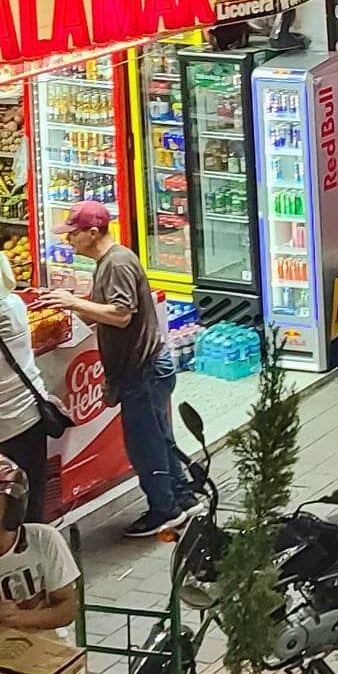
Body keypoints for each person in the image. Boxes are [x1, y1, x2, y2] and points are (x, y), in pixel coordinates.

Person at [47, 202, 196, 536]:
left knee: (145, 447)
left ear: (93, 232)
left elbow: (120, 314)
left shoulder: (115, 262)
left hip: (142, 371)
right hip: (148, 368)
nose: (69, 241)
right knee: (160, 439)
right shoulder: (111, 261)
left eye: (73, 234)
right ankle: (184, 499)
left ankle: (164, 510)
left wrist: (74, 303)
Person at [0, 257, 50, 522]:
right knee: (31, 494)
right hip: (29, 414)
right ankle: (32, 550)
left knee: (8, 506)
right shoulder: (15, 305)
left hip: (8, 423)